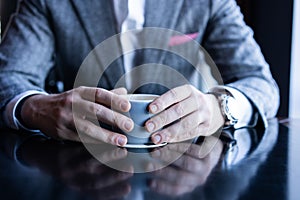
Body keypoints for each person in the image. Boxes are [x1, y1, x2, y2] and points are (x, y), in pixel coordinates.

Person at [0, 0, 279, 147]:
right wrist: (34, 107)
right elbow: (8, 75)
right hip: (81, 168)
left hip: (182, 169)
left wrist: (219, 107)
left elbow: (261, 82)